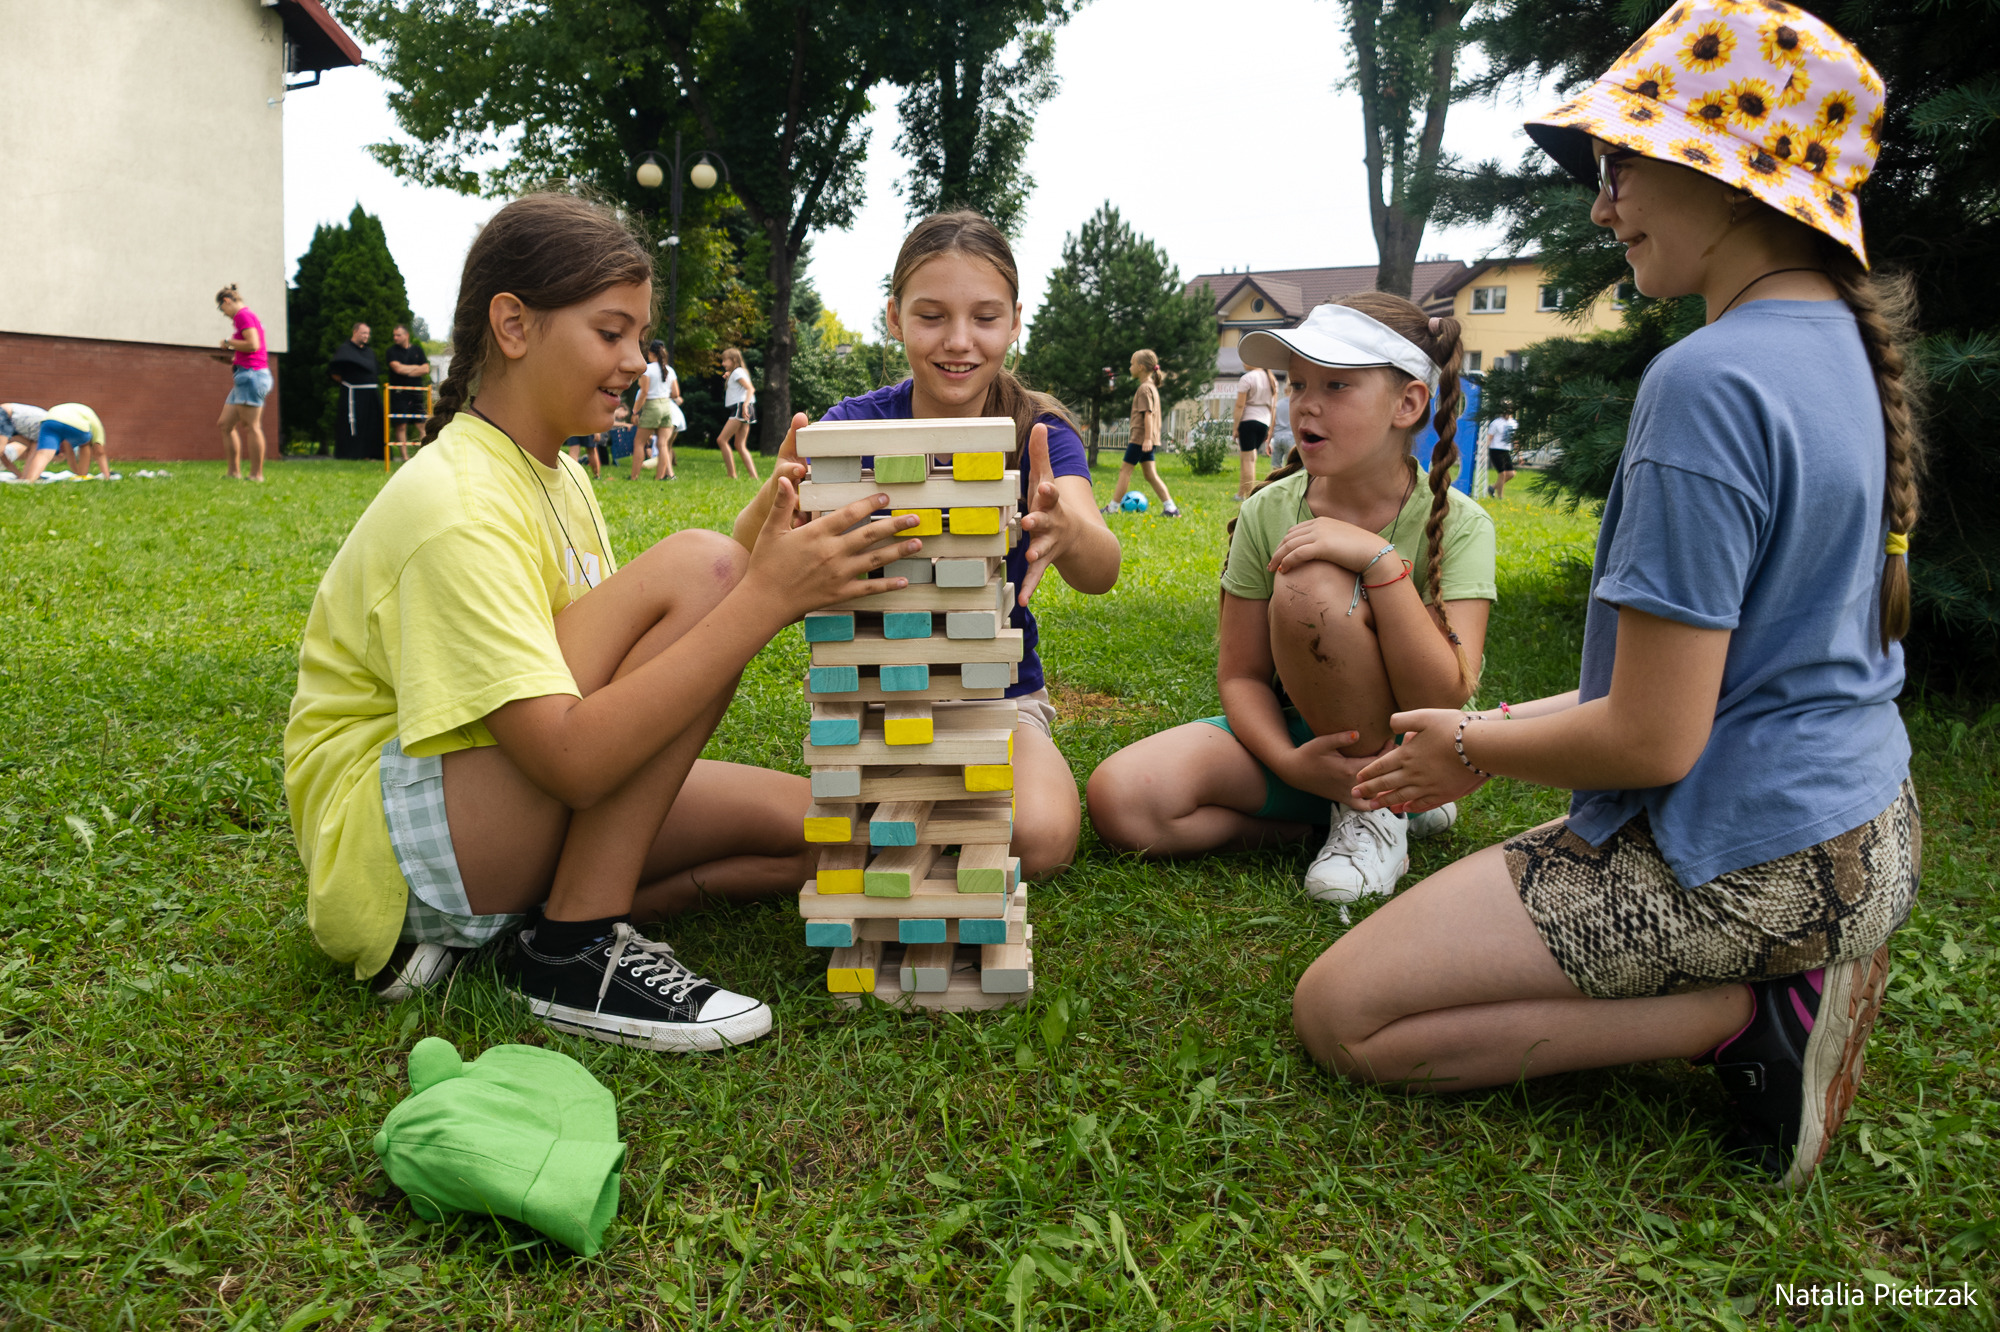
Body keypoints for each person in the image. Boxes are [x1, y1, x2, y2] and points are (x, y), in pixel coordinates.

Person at [1292, 0, 1920, 1191]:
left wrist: (1467, 749)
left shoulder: (1708, 382)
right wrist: (1488, 725)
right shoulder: (1841, 345)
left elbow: (1650, 736)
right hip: (1859, 828)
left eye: (1620, 163)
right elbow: (1713, 683)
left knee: (1345, 1016)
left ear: (1724, 170)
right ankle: (1780, 975)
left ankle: (1752, 1014)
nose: (1599, 205)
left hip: (1753, 859)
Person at [283, 192, 928, 1050]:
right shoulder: (456, 505)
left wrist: (765, 527)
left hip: (492, 797)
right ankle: (573, 947)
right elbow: (575, 760)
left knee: (819, 833)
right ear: (514, 325)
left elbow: (634, 660)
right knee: (701, 564)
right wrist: (765, 595)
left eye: (639, 336)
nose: (636, 360)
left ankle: (525, 936)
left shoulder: (561, 474)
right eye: (611, 332)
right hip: (402, 854)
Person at [734, 209, 1122, 878]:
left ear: (1015, 321)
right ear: (894, 317)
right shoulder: (853, 426)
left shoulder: (1039, 432)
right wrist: (778, 491)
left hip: (999, 699)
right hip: (876, 700)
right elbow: (745, 557)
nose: (959, 341)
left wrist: (1068, 529)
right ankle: (899, 827)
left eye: (985, 317)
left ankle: (906, 832)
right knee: (847, 824)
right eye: (932, 316)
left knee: (1041, 836)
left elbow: (1102, 568)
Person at [1088, 297, 1495, 901]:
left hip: (1411, 748)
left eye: (1337, 385)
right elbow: (1243, 675)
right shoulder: (1266, 511)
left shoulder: (1461, 524)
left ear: (1408, 404)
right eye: (1299, 384)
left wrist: (1380, 563)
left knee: (1313, 580)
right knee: (1123, 801)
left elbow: (1442, 696)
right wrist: (1287, 761)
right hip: (1302, 742)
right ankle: (1341, 814)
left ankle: (1378, 811)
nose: (1306, 403)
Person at [1100, 350, 1182, 518]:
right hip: (1145, 439)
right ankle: (1171, 509)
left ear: (1141, 367)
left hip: (1140, 439)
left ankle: (1113, 508)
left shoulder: (1145, 389)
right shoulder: (1150, 387)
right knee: (1150, 474)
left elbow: (1148, 415)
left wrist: (1147, 439)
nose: (1130, 367)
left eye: (1132, 364)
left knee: (1125, 471)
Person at [216, 285, 271, 482]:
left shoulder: (243, 315)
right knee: (225, 424)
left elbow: (253, 344)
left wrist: (228, 342)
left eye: (222, 310)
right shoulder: (246, 317)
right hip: (245, 374)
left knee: (252, 426)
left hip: (252, 376)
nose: (225, 314)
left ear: (226, 301)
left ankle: (256, 475)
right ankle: (233, 473)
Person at [630, 339, 681, 481]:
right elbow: (676, 393)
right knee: (662, 444)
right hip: (667, 406)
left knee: (639, 442)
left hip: (653, 406)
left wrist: (635, 411)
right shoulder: (669, 370)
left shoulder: (648, 369)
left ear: (651, 353)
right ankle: (660, 477)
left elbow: (644, 392)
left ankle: (634, 476)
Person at [329, 322, 381, 461]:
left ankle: (370, 454)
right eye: (363, 333)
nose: (366, 336)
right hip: (353, 394)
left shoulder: (370, 352)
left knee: (372, 424)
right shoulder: (344, 350)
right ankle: (351, 454)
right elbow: (335, 373)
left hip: (371, 394)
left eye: (368, 333)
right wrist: (351, 383)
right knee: (355, 424)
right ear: (355, 332)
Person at [385, 324, 433, 463]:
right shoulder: (392, 351)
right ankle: (405, 457)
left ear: (406, 335)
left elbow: (426, 369)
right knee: (401, 425)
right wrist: (416, 368)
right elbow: (397, 369)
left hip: (416, 393)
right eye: (394, 335)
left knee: (421, 425)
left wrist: (406, 370)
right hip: (399, 393)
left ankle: (424, 456)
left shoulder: (417, 350)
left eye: (398, 335)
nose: (395, 338)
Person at [1233, 361, 1279, 501]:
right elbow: (1274, 407)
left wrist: (1235, 427)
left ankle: (1247, 495)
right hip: (1264, 422)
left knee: (1248, 460)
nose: (1242, 362)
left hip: (1248, 420)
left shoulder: (1247, 378)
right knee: (1250, 459)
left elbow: (1240, 405)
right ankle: (1241, 492)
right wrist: (1270, 429)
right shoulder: (1272, 379)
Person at [715, 348, 760, 481]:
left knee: (721, 440)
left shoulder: (737, 372)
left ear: (734, 360)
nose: (723, 363)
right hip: (746, 407)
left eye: (725, 360)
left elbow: (750, 388)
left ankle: (732, 475)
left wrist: (745, 405)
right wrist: (729, 376)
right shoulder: (738, 372)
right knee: (739, 445)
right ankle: (754, 477)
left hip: (740, 407)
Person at [1, 403, 48, 479]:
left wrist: (21, 476)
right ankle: (30, 476)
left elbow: (2, 453)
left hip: (13, 415)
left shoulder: (37, 437)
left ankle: (29, 476)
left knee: (32, 447)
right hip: (10, 414)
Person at [1485, 408, 1518, 499]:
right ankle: (1500, 497)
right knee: (1502, 474)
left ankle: (1492, 487)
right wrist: (1485, 450)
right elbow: (1490, 437)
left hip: (1506, 450)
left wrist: (1520, 454)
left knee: (1511, 474)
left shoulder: (1514, 423)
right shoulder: (1496, 423)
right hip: (1495, 449)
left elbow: (1515, 439)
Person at [1270, 391, 1295, 471]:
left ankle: (1276, 478)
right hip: (1291, 437)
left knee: (1276, 465)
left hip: (1277, 437)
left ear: (1285, 391)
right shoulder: (1295, 403)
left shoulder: (1278, 404)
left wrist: (1269, 440)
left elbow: (1273, 423)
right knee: (1291, 465)